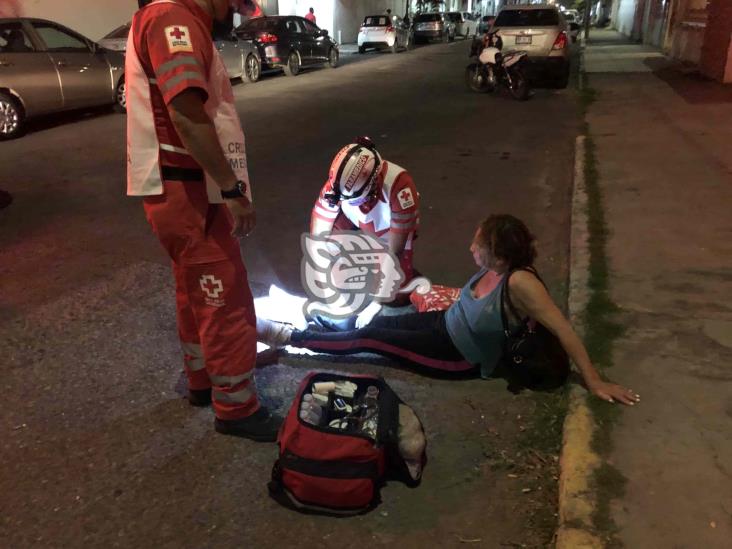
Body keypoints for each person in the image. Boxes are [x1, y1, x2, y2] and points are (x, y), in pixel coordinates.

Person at [265, 215, 640, 406]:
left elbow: (564, 330)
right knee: (380, 323)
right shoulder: (497, 268)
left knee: (371, 339)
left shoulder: (521, 283)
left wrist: (593, 380)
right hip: (443, 324)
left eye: (479, 244)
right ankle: (321, 331)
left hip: (457, 357)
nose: (471, 248)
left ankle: (290, 338)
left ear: (499, 253)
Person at [126, 0, 281, 441]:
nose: (234, 8)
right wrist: (232, 190)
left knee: (194, 290)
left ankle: (201, 381)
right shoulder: (172, 19)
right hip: (188, 191)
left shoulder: (165, 16)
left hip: (175, 190)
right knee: (223, 296)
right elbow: (187, 115)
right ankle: (236, 408)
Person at [311, 136, 420, 297]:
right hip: (354, 219)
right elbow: (318, 238)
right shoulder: (336, 188)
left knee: (394, 292)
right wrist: (326, 283)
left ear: (373, 186)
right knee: (330, 246)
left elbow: (395, 251)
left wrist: (377, 301)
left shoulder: (401, 189)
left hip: (390, 228)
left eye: (354, 199)